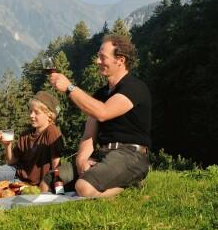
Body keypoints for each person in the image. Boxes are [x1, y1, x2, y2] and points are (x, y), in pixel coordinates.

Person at [49, 34, 151, 197]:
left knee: (83, 188)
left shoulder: (134, 88)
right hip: (102, 155)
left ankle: (130, 185)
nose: (97, 61)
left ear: (120, 60)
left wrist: (70, 88)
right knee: (50, 181)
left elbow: (103, 113)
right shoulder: (100, 94)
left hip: (130, 156)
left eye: (102, 57)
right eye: (98, 56)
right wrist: (82, 160)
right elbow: (89, 135)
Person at [0, 91, 64, 191]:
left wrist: (56, 186)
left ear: (49, 115)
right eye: (30, 111)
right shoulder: (25, 134)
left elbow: (56, 163)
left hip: (35, 182)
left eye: (36, 112)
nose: (31, 115)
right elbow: (11, 161)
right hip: (18, 173)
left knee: (0, 188)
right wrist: (8, 146)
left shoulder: (51, 131)